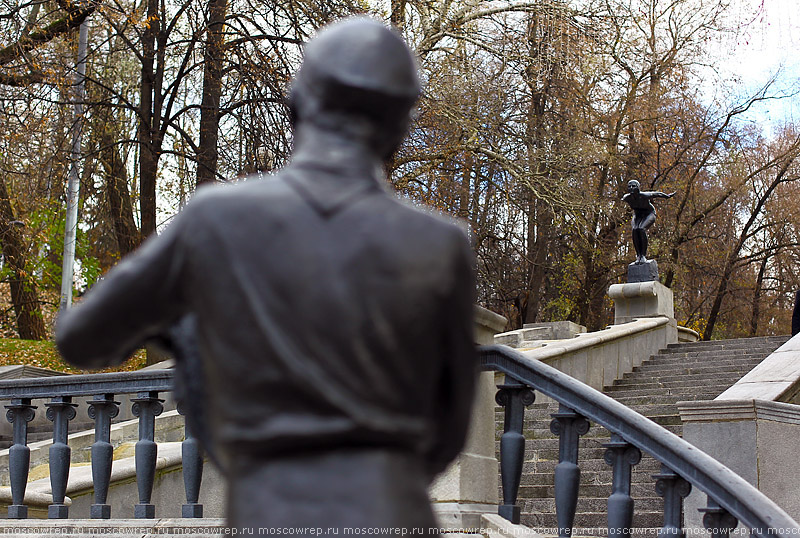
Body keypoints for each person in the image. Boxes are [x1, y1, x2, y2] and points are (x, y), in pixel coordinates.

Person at [56, 18, 477, 534]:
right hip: (395, 509)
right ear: (398, 128)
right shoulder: (441, 245)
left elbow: (81, 339)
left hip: (270, 511)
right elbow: (453, 423)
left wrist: (184, 332)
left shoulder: (216, 219)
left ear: (301, 103)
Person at [621, 179, 675, 264]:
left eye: (633, 186)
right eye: (629, 186)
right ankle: (638, 255)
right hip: (637, 214)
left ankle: (643, 255)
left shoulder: (644, 195)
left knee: (641, 229)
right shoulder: (626, 198)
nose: (631, 188)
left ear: (638, 187)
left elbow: (657, 194)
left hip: (649, 213)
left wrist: (667, 196)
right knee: (635, 230)